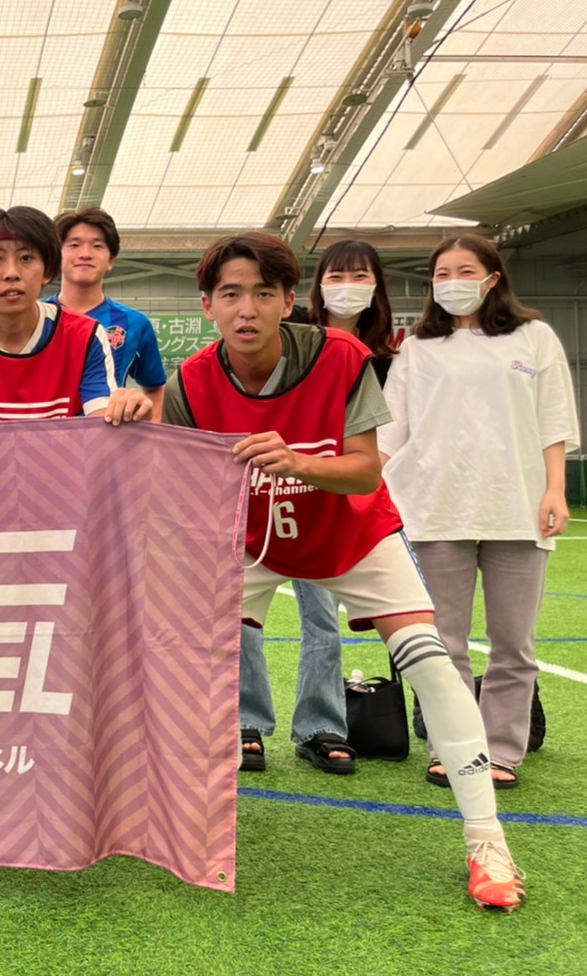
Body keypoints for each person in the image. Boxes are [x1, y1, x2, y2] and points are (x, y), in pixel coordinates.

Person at [162, 230, 523, 910]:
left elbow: (364, 472)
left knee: (431, 665)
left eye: (263, 294)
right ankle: (174, 818)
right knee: (177, 667)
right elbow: (179, 487)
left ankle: (487, 841)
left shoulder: (341, 356)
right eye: (231, 294)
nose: (247, 309)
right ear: (207, 305)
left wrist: (297, 460)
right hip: (250, 544)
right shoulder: (189, 383)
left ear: (288, 301)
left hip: (352, 534)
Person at [379, 234, 578, 792]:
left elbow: (554, 419)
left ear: (494, 278)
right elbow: (391, 429)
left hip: (517, 508)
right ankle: (456, 749)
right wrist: (364, 489)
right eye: (441, 274)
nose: (451, 283)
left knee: (515, 645)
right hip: (434, 508)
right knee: (444, 645)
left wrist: (555, 490)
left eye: (464, 271)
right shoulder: (418, 347)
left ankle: (503, 750)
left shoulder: (533, 336)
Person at [239, 239, 398, 775]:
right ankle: (245, 722)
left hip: (338, 505)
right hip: (264, 500)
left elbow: (369, 455)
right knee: (240, 617)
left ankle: (320, 725)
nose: (347, 287)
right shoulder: (285, 338)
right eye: (337, 276)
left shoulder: (382, 352)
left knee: (323, 618)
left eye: (360, 276)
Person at [0, 206, 150, 426]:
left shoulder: (86, 337)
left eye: (26, 258)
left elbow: (101, 422)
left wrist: (129, 414)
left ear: (48, 270)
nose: (11, 273)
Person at [51, 207, 167, 419]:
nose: (85, 254)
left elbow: (155, 388)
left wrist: (153, 431)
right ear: (56, 255)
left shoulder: (136, 323)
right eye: (74, 245)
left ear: (111, 260)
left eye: (97, 246)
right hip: (44, 435)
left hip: (107, 433)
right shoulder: (33, 316)